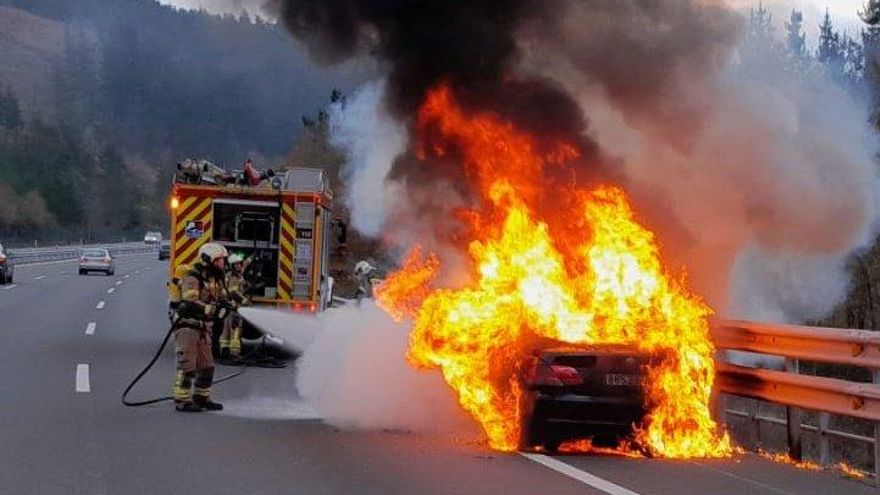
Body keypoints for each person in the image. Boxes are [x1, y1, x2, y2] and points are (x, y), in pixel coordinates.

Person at [171, 243, 230, 412]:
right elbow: (190, 301)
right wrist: (210, 309)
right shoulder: (193, 277)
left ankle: (202, 398)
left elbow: (220, 297)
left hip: (204, 328)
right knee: (187, 364)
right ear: (208, 260)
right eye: (219, 261)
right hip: (188, 326)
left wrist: (225, 305)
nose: (222, 264)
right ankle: (182, 400)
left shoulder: (214, 279)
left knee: (207, 366)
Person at [219, 253, 250, 363]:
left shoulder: (237, 274)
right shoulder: (233, 277)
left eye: (239, 264)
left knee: (226, 331)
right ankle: (234, 354)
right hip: (235, 308)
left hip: (229, 309)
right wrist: (244, 300)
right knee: (235, 332)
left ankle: (224, 352)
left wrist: (249, 258)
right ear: (232, 266)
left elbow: (245, 265)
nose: (239, 266)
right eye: (236, 264)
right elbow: (233, 292)